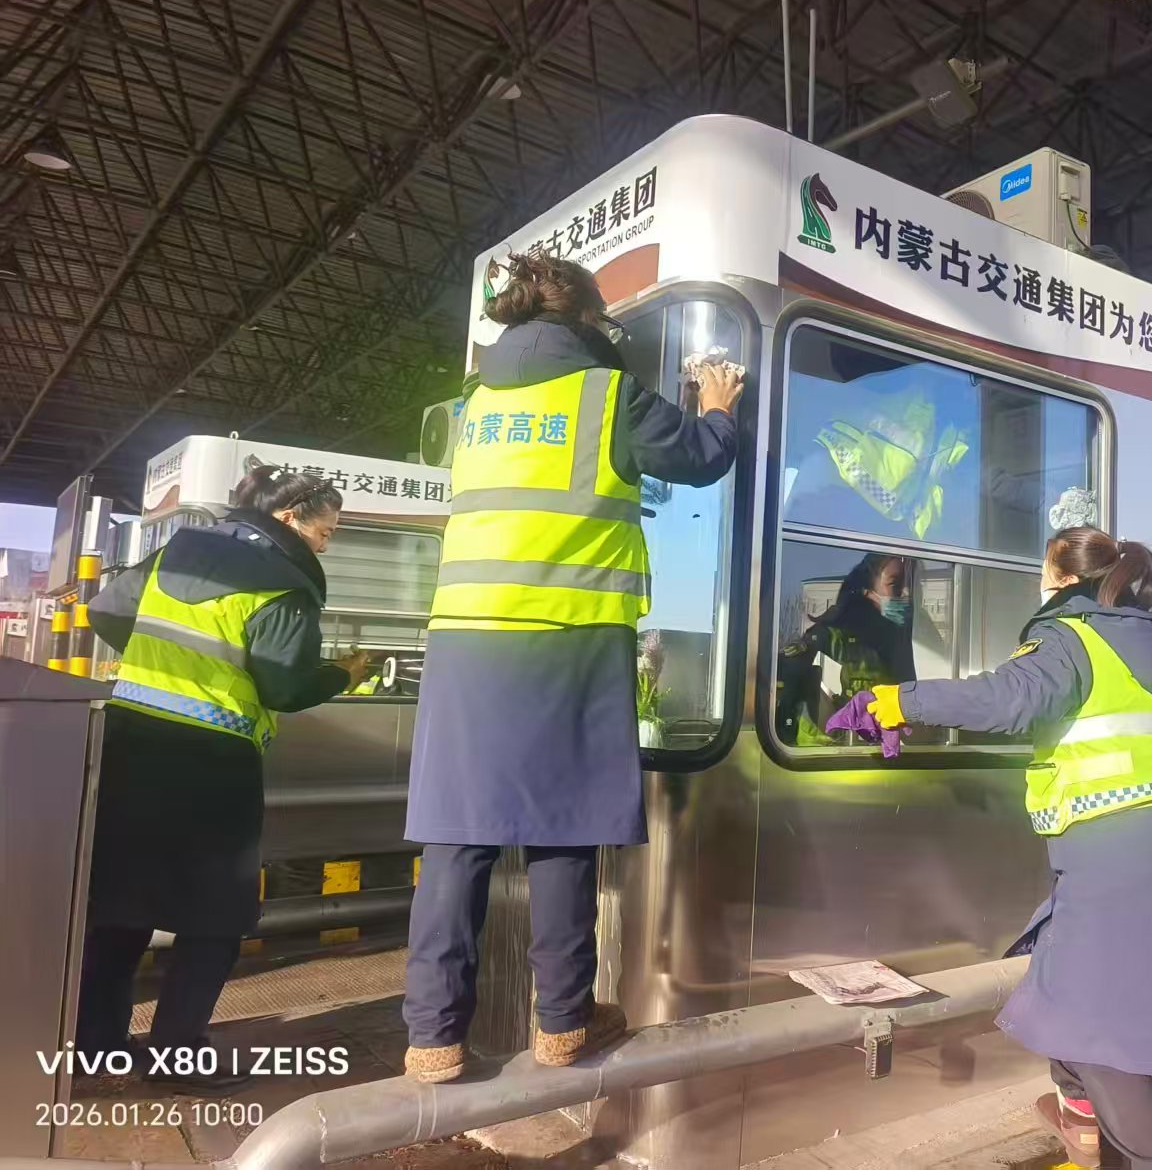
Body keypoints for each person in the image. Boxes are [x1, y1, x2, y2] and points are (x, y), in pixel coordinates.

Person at [402, 253, 743, 1083]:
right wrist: (717, 403)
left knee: (458, 834)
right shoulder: (604, 395)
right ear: (588, 321)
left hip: (464, 639)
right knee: (562, 826)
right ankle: (562, 1022)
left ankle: (433, 1038)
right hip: (565, 635)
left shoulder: (475, 404)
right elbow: (701, 457)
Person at [859, 527, 1152, 1170]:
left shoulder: (1071, 635)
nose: (1039, 584)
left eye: (1044, 572)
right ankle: (1080, 1111)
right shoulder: (1144, 645)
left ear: (1067, 580)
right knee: (1074, 972)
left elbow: (1011, 698)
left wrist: (901, 700)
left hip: (1114, 841)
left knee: (1091, 1018)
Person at [79, 466, 369, 1092]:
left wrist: (160, 661)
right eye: (326, 530)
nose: (326, 544)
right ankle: (176, 1054)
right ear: (289, 518)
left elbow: (106, 611)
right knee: (214, 917)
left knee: (121, 904)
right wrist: (343, 674)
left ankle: (95, 1047)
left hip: (130, 744)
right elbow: (285, 687)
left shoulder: (177, 550)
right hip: (212, 763)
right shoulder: (283, 584)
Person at [775, 554, 917, 745]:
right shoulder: (836, 632)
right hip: (849, 743)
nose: (906, 593)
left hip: (891, 739)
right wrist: (814, 736)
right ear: (867, 591)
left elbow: (910, 695)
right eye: (896, 584)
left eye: (910, 584)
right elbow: (790, 670)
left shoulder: (902, 636)